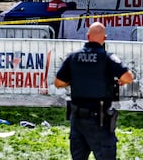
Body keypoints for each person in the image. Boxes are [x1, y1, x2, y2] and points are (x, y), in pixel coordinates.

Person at [54, 21, 134, 160]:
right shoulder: (107, 57)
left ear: (87, 36)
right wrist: (118, 79)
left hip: (77, 117)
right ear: (105, 39)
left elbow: (58, 82)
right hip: (99, 119)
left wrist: (75, 80)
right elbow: (128, 77)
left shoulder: (73, 57)